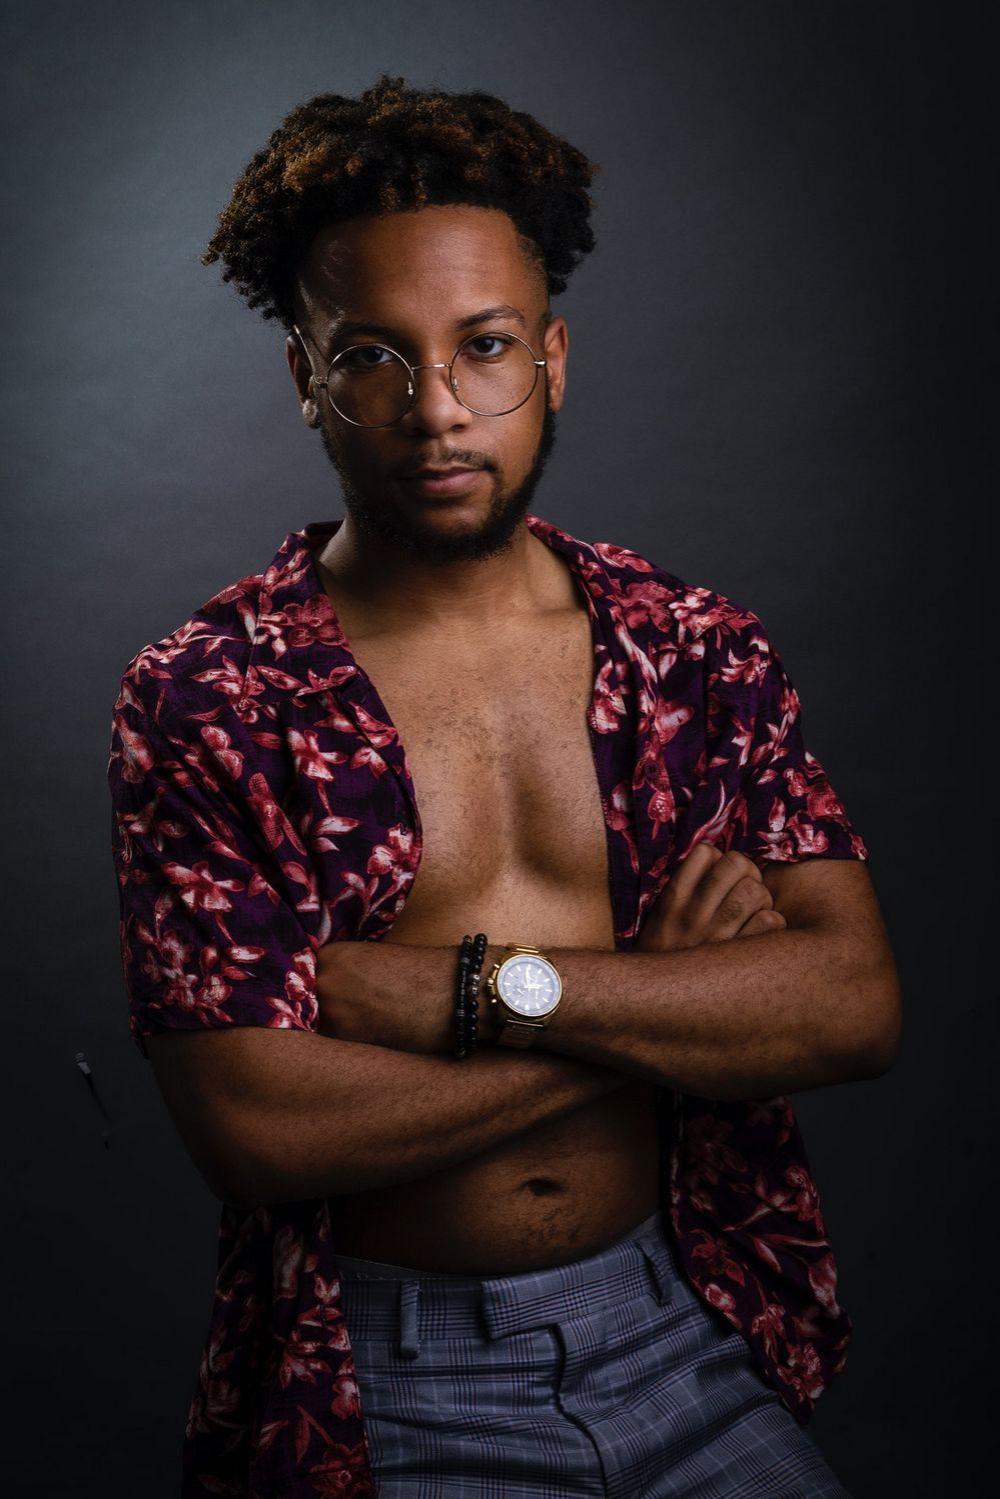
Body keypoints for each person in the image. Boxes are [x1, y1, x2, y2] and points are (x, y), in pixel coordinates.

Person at [107, 73, 900, 1499]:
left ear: (552, 359)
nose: (437, 411)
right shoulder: (210, 696)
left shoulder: (693, 650)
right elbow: (259, 1127)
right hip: (387, 1380)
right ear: (303, 378)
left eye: (483, 348)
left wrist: (462, 995)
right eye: (371, 357)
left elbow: (850, 1006)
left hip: (684, 1327)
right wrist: (664, 1009)